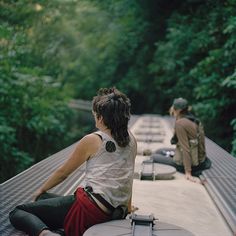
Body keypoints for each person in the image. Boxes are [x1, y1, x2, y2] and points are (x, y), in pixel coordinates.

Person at [9, 87, 137, 236]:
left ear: (101, 118)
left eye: (95, 114)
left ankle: (45, 234)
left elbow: (63, 173)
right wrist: (127, 208)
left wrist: (40, 189)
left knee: (18, 212)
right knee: (44, 199)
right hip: (114, 211)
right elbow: (129, 177)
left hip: (90, 210)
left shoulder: (94, 139)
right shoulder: (132, 140)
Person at [152, 97, 211, 182]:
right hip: (200, 161)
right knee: (160, 151)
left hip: (189, 164)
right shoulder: (194, 120)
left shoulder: (180, 123)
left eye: (174, 108)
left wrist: (188, 172)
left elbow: (185, 148)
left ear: (178, 110)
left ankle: (187, 169)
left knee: (154, 157)